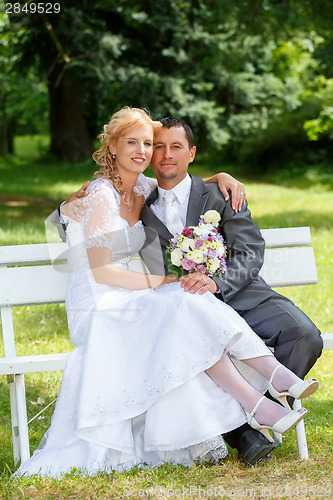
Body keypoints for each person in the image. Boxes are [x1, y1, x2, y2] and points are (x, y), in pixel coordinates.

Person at [15, 107, 318, 477]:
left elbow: (185, 184)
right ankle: (265, 396)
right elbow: (98, 264)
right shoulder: (102, 195)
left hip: (164, 293)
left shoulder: (147, 189)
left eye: (149, 143)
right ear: (112, 147)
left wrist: (221, 177)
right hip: (101, 302)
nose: (147, 151)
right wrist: (64, 209)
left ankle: (262, 401)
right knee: (182, 304)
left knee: (188, 309)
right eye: (138, 143)